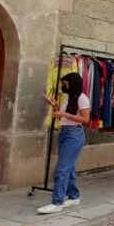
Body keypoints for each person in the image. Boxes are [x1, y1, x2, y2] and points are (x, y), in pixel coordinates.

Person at [39, 72, 91, 214]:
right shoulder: (70, 98)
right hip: (65, 133)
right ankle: (74, 196)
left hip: (74, 135)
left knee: (61, 169)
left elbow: (86, 120)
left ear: (72, 83)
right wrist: (55, 106)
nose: (63, 86)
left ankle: (57, 202)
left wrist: (64, 114)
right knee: (69, 167)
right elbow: (64, 117)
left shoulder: (82, 98)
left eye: (65, 83)